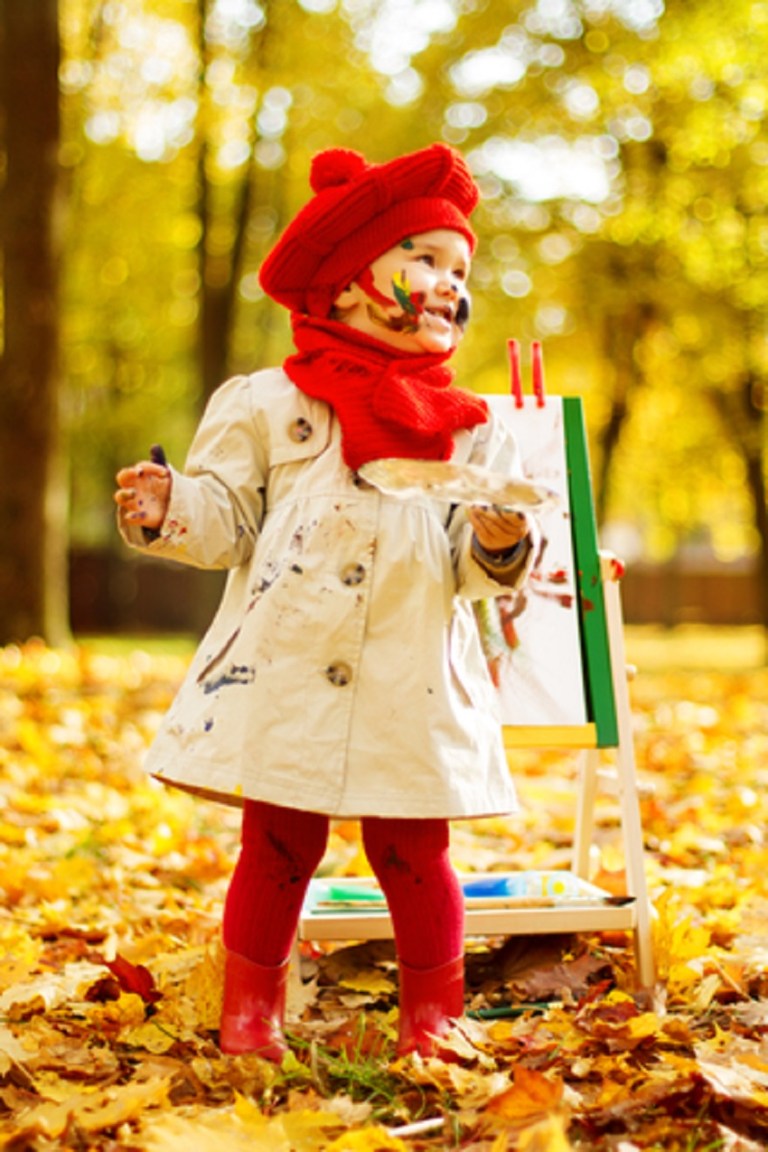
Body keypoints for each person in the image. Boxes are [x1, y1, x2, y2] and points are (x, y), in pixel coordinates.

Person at [114, 143, 539, 1061]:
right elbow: (226, 520)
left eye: (459, 269)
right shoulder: (269, 403)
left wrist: (499, 543)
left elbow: (476, 560)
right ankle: (251, 1015)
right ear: (349, 282)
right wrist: (171, 506)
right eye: (423, 259)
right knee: (277, 844)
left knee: (414, 853)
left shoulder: (473, 429)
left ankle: (435, 1020)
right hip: (292, 666)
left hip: (410, 673)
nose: (447, 284)